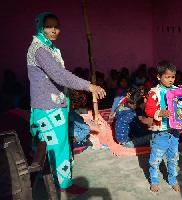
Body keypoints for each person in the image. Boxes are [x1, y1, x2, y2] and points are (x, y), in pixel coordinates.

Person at [27, 12, 106, 194]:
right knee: (57, 147)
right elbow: (59, 75)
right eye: (49, 26)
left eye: (57, 26)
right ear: (40, 27)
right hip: (48, 109)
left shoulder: (49, 48)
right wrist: (89, 86)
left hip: (54, 107)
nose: (54, 30)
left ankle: (56, 183)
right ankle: (63, 185)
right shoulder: (39, 49)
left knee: (54, 146)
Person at [144, 60, 180, 193]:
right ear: (159, 77)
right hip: (161, 132)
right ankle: (154, 180)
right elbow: (148, 110)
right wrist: (160, 112)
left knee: (173, 157)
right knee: (156, 159)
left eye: (173, 77)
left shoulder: (177, 91)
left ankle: (173, 180)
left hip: (174, 131)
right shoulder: (154, 93)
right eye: (167, 77)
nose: (171, 80)